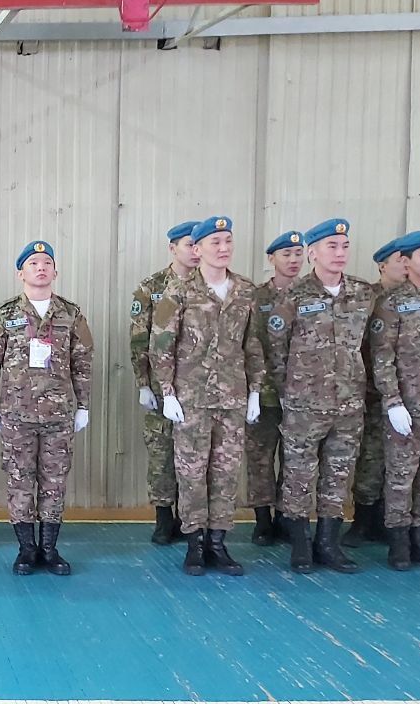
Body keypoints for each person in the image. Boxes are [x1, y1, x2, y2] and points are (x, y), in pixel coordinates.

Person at [151, 216, 264, 577]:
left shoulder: (245, 291)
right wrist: (167, 392)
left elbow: (253, 345)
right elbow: (161, 346)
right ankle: (195, 543)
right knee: (191, 473)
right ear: (197, 249)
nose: (223, 248)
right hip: (192, 399)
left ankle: (218, 542)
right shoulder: (178, 292)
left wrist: (255, 391)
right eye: (215, 242)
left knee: (226, 473)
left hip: (232, 398)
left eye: (228, 241)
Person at [0, 241, 94, 576]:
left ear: (55, 271)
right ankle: (27, 550)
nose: (40, 268)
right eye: (33, 263)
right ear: (21, 273)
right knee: (19, 480)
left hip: (59, 414)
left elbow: (83, 362)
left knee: (54, 482)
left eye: (46, 263)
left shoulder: (71, 314)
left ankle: (49, 548)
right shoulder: (5, 315)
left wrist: (83, 405)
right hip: (17, 414)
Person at [267, 218, 373, 574]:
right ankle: (300, 543)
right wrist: (287, 393)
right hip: (304, 405)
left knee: (338, 474)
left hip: (349, 403)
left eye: (344, 246)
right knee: (298, 473)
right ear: (312, 253)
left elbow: (368, 345)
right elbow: (276, 351)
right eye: (331, 246)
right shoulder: (293, 296)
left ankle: (328, 543)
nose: (340, 253)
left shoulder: (362, 294)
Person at [368, 229, 420, 571]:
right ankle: (399, 541)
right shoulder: (392, 303)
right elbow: (382, 356)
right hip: (408, 406)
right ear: (406, 261)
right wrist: (392, 401)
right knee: (401, 475)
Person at [129, 221, 200, 544]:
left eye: (198, 244)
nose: (195, 251)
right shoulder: (152, 287)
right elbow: (139, 337)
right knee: (161, 451)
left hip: (200, 385)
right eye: (188, 245)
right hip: (161, 385)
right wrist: (143, 382)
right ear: (173, 248)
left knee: (196, 454)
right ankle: (163, 517)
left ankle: (190, 518)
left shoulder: (210, 286)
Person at [343, 238, 408, 548]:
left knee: (400, 463)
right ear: (383, 265)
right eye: (400, 260)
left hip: (411, 395)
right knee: (370, 458)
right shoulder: (367, 298)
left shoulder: (417, 299)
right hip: (370, 393)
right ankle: (363, 520)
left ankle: (388, 520)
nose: (406, 266)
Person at [245, 230, 304, 546]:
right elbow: (248, 342)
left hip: (301, 394)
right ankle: (262, 520)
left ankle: (286, 517)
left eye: (298, 253)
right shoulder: (256, 297)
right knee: (260, 458)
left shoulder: (311, 295)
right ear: (272, 258)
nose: (293, 260)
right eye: (286, 254)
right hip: (264, 393)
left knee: (295, 460)